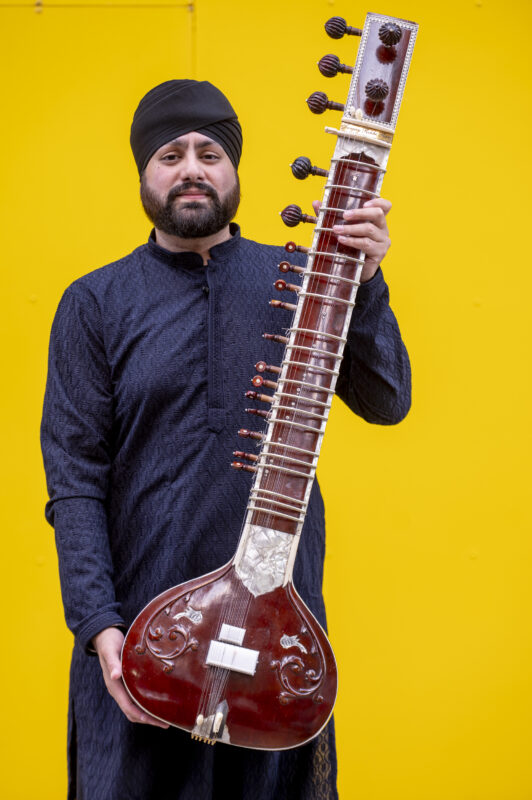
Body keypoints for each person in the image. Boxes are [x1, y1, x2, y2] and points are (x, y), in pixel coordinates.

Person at [41, 79, 411, 800]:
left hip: (278, 637)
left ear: (235, 170)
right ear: (144, 174)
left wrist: (364, 280)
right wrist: (98, 627)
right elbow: (75, 477)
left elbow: (387, 399)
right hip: (145, 638)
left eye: (210, 153)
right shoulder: (95, 303)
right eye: (169, 154)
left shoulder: (304, 279)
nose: (191, 169)